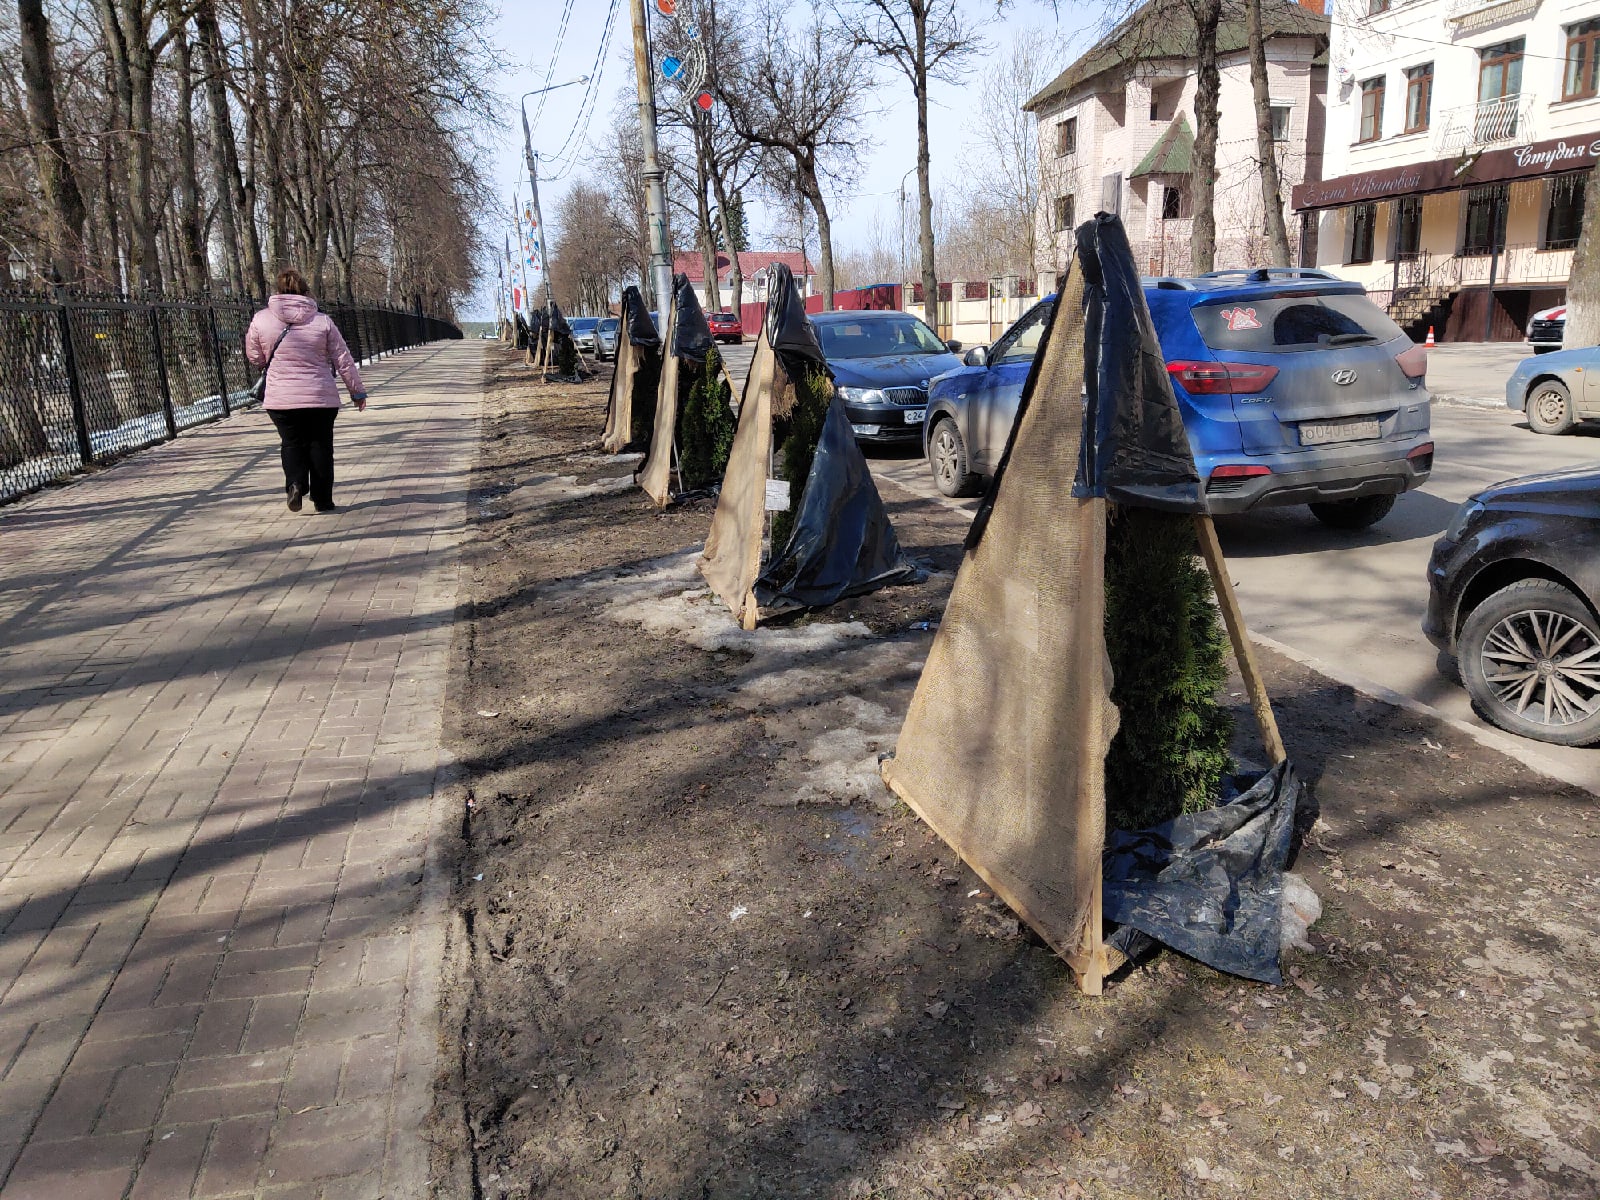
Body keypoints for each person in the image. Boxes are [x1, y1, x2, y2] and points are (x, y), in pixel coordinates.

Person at [245, 268, 368, 513]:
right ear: (304, 291)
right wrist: (357, 392)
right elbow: (343, 359)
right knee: (320, 445)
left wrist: (272, 362)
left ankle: (296, 484)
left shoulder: (261, 319)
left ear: (278, 290)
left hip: (281, 398)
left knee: (291, 442)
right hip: (319, 396)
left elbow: (254, 356)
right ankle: (323, 500)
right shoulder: (322, 321)